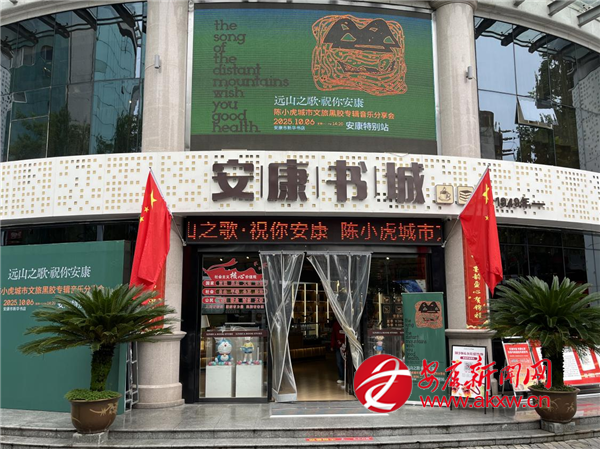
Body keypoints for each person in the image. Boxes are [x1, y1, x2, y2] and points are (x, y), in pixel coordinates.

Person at [330, 318, 345, 384]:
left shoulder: (346, 323)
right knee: (339, 362)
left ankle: (347, 377)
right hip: (338, 346)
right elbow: (333, 335)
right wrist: (332, 345)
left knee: (345, 362)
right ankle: (341, 377)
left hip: (346, 346)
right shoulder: (335, 324)